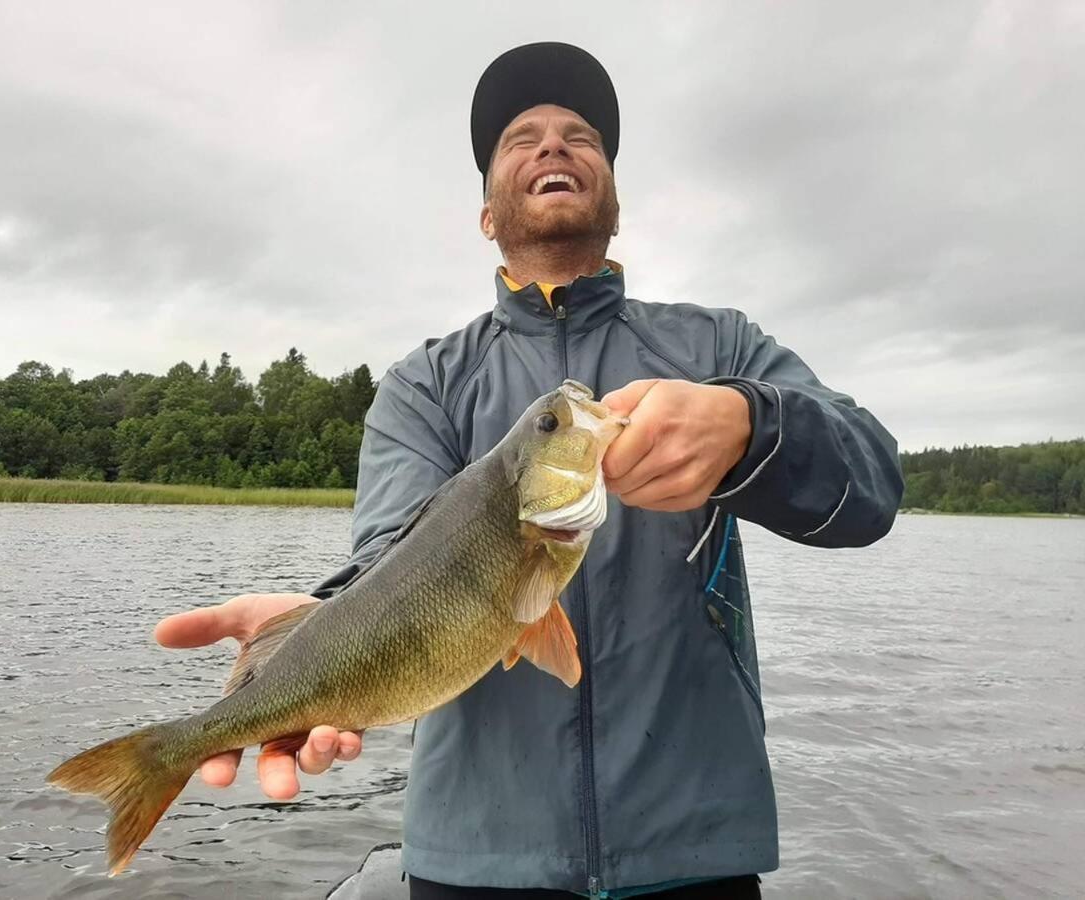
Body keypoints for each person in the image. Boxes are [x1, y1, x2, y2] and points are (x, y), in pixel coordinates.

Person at [156, 42, 903, 899]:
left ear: (615, 203)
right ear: (487, 214)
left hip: (697, 847)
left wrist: (747, 421)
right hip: (474, 858)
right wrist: (319, 630)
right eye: (522, 138)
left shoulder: (718, 348)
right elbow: (387, 559)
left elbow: (873, 485)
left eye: (581, 135)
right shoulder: (424, 383)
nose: (554, 145)